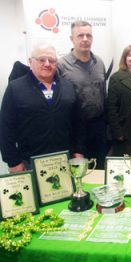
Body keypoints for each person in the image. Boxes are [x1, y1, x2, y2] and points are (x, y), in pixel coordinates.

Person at [0, 43, 85, 173]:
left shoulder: (68, 87)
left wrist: (79, 150)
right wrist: (13, 161)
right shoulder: (15, 88)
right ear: (30, 62)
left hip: (65, 160)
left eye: (51, 60)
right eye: (41, 60)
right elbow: (5, 128)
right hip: (29, 162)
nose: (47, 64)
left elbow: (78, 123)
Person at [57, 20, 108, 169]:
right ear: (72, 39)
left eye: (88, 35)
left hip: (98, 127)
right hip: (75, 128)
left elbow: (103, 93)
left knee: (99, 168)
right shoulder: (61, 65)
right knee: (78, 170)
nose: (85, 39)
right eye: (80, 35)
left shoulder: (99, 62)